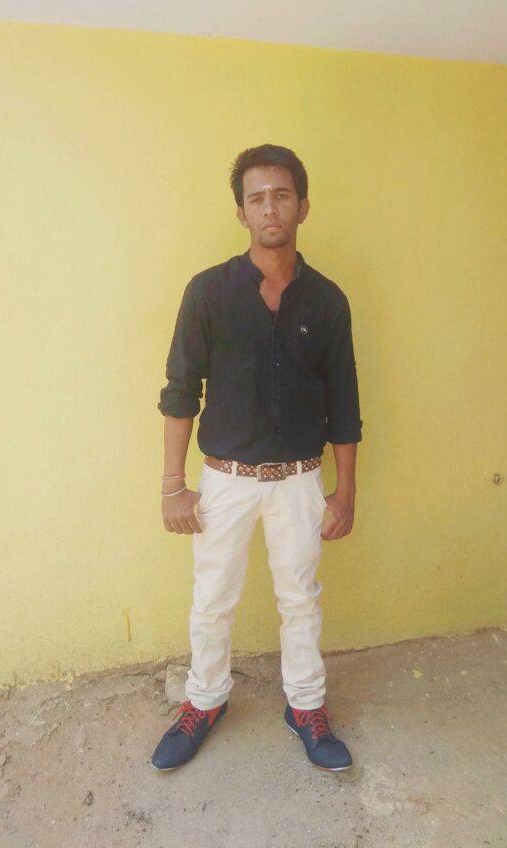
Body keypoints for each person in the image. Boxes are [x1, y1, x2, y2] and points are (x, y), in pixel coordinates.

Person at [151, 143, 362, 773]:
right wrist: (172, 485)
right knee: (213, 599)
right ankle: (204, 701)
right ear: (242, 213)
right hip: (227, 480)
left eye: (282, 195)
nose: (271, 207)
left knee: (301, 599)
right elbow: (180, 391)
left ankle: (306, 706)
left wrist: (344, 490)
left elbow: (344, 403)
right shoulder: (208, 293)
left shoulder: (327, 301)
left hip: (300, 480)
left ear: (302, 206)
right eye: (257, 198)